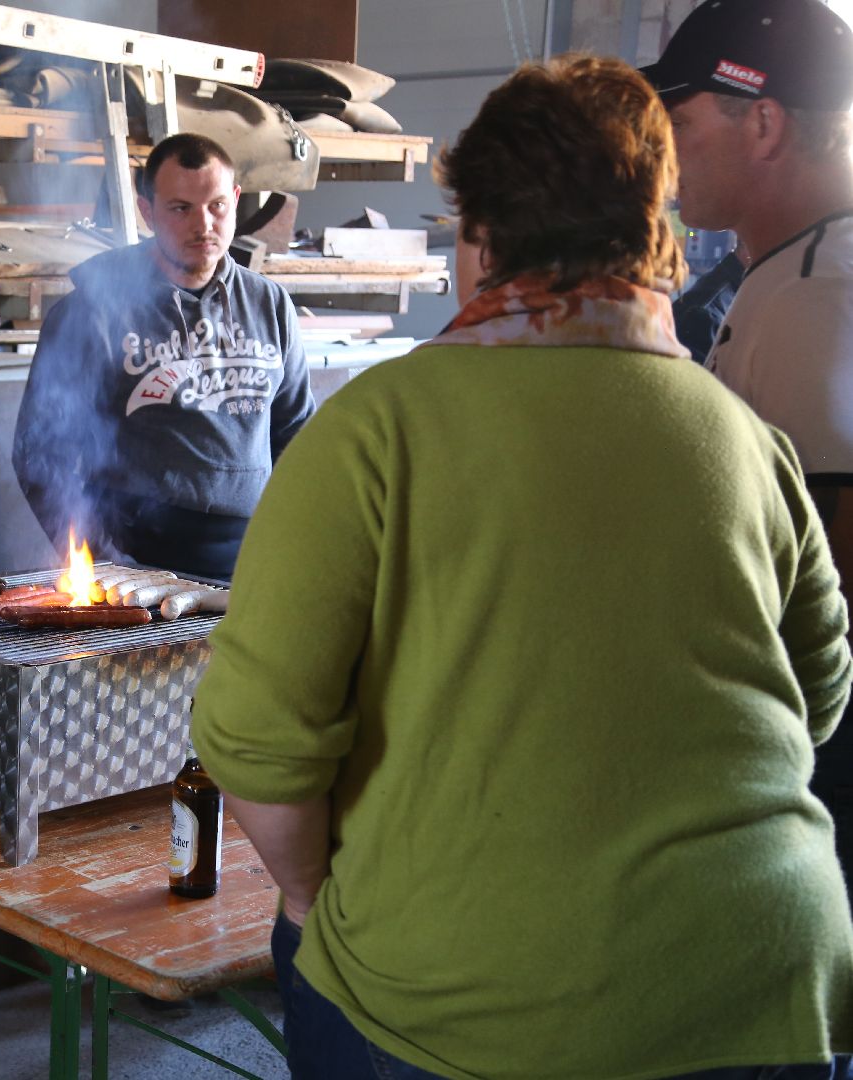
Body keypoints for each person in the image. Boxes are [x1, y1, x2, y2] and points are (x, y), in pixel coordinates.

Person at [191, 54, 853, 1080]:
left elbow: (255, 740)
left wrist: (317, 899)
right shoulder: (744, 437)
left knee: (309, 951)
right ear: (654, 232)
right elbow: (819, 697)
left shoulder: (376, 430)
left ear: (481, 238)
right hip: (768, 983)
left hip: (477, 1003)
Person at [643, 0, 853, 877]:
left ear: (762, 121)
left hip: (815, 756)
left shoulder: (817, 295)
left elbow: (833, 568)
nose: (665, 155)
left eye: (679, 123)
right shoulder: (789, 271)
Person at [10, 132, 314, 581]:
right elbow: (40, 450)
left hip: (251, 561)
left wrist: (288, 537)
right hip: (137, 560)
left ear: (235, 199)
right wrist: (91, 559)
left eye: (216, 206)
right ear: (147, 210)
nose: (203, 225)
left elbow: (296, 434)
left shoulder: (269, 305)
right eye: (180, 208)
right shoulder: (93, 310)